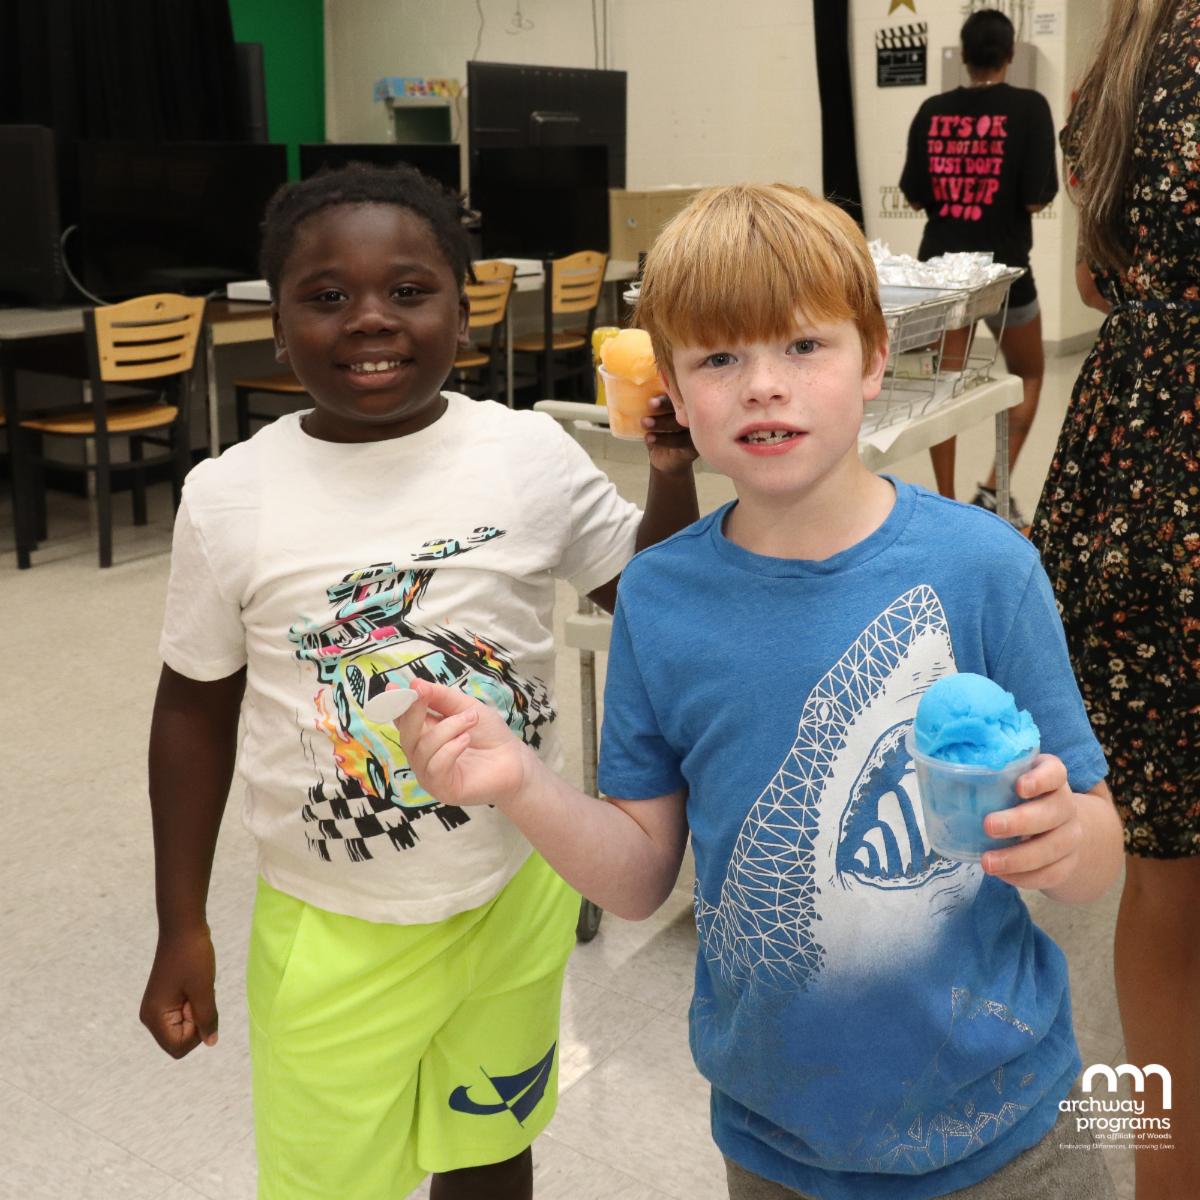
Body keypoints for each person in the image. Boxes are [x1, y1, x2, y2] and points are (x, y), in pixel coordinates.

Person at [391, 183, 1125, 1200]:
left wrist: (1067, 841)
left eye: (804, 346)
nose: (763, 387)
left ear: (875, 359)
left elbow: (1098, 851)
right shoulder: (660, 597)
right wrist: (520, 780)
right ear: (675, 393)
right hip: (777, 1144)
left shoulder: (986, 567)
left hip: (1010, 1131)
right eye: (719, 360)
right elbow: (639, 879)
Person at [138, 162, 699, 1200]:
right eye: (326, 295)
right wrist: (182, 922)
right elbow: (193, 712)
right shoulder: (229, 496)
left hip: (513, 897)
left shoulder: (525, 454)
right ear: (277, 327)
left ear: (463, 311)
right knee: (327, 1185)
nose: (369, 318)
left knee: (489, 1150)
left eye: (407, 290)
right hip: (330, 926)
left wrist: (672, 472)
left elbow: (655, 600)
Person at [1033, 1, 1200, 1194]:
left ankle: (1165, 1175)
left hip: (1135, 478)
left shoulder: (1129, 58)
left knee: (1167, 869)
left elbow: (1099, 276)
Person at [900, 8, 1058, 522]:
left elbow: (915, 196)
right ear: (1010, 54)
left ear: (964, 56)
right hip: (1004, 272)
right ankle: (993, 489)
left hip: (943, 275)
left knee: (942, 390)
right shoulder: (1030, 107)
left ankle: (945, 504)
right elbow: (1036, 198)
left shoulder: (931, 110)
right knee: (1028, 373)